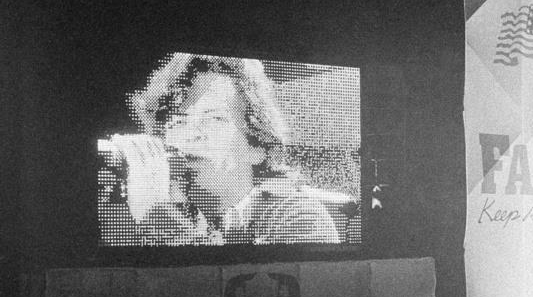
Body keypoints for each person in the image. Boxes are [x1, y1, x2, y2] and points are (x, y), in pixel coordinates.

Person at [99, 53, 353, 245]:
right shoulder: (181, 213)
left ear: (257, 146)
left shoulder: (300, 216)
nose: (191, 134)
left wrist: (155, 214)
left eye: (214, 118)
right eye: (178, 122)